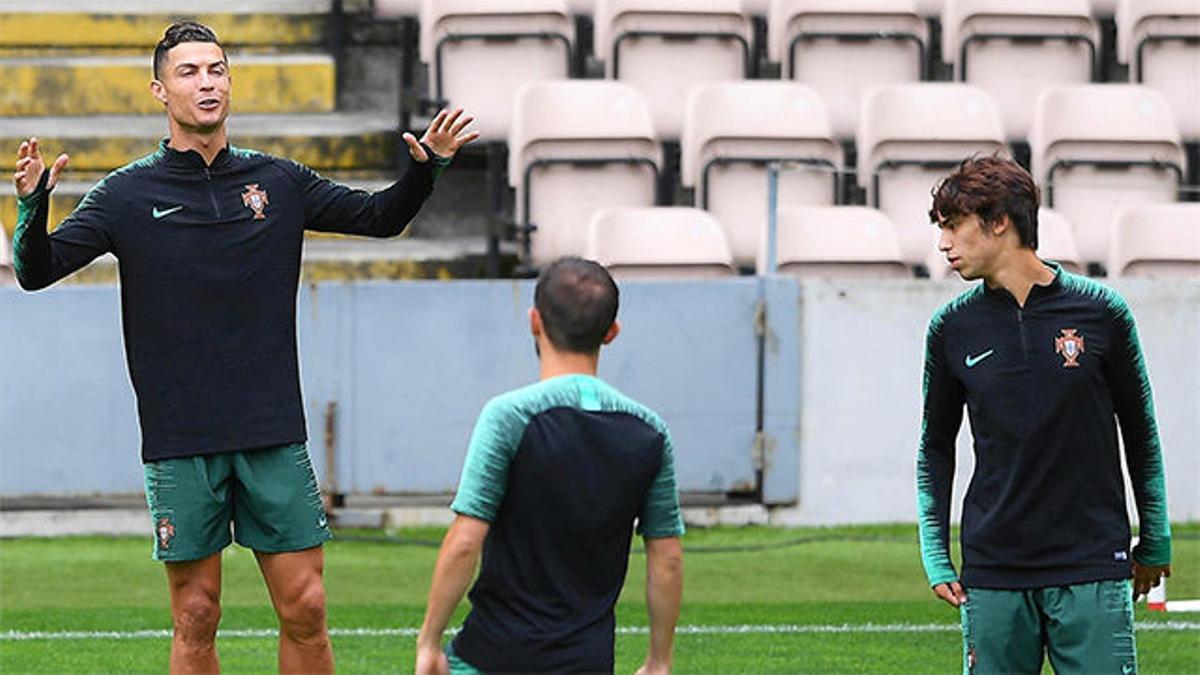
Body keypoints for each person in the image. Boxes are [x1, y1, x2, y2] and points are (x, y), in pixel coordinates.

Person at [11, 21, 477, 674]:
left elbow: (380, 216)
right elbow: (37, 270)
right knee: (196, 614)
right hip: (180, 436)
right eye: (190, 72)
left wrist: (426, 170)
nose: (207, 82)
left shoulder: (278, 181)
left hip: (270, 428)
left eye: (217, 69)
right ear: (159, 90)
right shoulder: (125, 193)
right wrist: (32, 208)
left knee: (307, 605)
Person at [915, 156, 1172, 674]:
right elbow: (934, 449)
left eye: (953, 226)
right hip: (993, 570)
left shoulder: (1103, 312)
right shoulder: (950, 328)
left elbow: (1140, 431)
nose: (943, 244)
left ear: (999, 222)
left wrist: (1157, 535)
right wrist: (935, 551)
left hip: (1092, 563)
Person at [415, 257, 685, 675]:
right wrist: (659, 661)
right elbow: (666, 556)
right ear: (611, 333)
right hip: (587, 662)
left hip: (493, 655)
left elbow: (466, 539)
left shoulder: (508, 416)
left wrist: (429, 642)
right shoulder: (650, 431)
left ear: (534, 322)